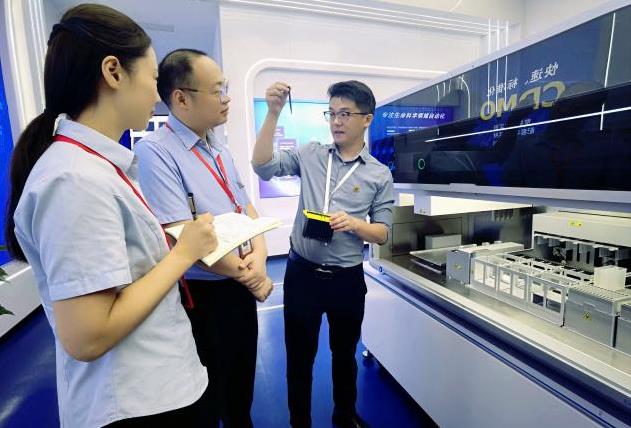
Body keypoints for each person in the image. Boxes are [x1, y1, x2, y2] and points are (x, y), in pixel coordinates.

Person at [4, 5, 218, 427]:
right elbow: (88, 335)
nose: (157, 95)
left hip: (156, 386)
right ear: (113, 72)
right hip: (136, 404)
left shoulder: (94, 167)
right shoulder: (74, 179)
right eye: (153, 79)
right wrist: (183, 254)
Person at [133, 49, 272, 428]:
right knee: (209, 395)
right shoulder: (155, 152)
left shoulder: (218, 147)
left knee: (241, 387)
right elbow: (181, 236)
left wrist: (260, 257)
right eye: (216, 90)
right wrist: (252, 276)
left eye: (225, 88)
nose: (226, 98)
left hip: (240, 283)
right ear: (181, 98)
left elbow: (246, 207)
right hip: (204, 294)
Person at [252, 80, 395, 428]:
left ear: (367, 119)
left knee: (344, 355)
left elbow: (382, 231)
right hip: (302, 275)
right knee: (299, 358)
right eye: (331, 114)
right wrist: (272, 113)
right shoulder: (311, 154)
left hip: (346, 279)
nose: (336, 121)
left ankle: (344, 416)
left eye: (345, 114)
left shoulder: (379, 174)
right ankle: (299, 421)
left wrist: (356, 225)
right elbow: (262, 165)